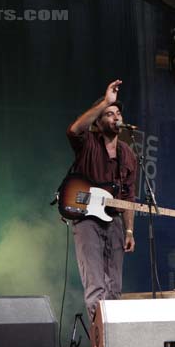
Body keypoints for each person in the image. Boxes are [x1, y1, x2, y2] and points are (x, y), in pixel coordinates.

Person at [67, 79, 138, 323]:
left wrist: (129, 229)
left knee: (114, 286)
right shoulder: (88, 143)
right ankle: (101, 343)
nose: (115, 116)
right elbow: (74, 130)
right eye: (109, 113)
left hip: (115, 221)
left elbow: (129, 195)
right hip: (86, 219)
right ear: (98, 122)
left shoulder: (128, 154)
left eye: (117, 112)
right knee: (95, 285)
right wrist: (104, 102)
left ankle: (115, 337)